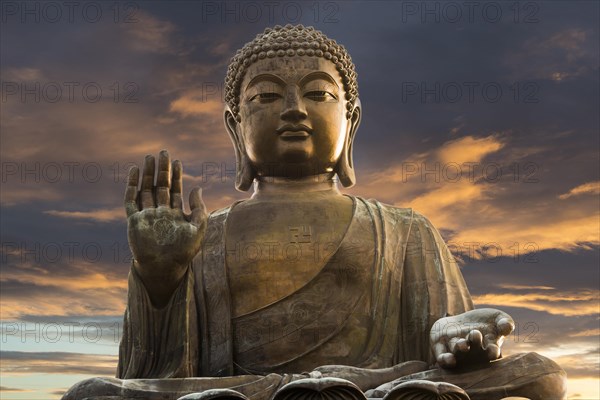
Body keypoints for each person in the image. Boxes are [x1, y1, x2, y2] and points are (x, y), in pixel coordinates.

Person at [62, 25, 566, 400]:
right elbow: (150, 372)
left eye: (318, 94)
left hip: (378, 388)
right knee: (90, 392)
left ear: (352, 119)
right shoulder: (204, 235)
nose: (294, 109)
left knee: (544, 373)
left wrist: (454, 337)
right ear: (235, 127)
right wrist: (160, 280)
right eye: (265, 96)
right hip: (243, 392)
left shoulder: (406, 230)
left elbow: (447, 348)